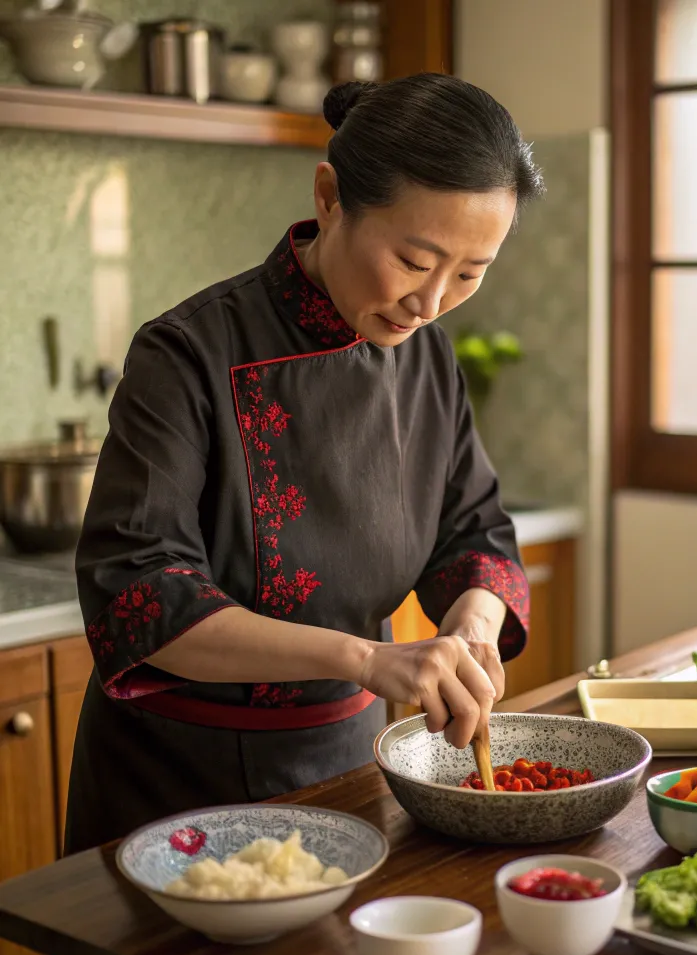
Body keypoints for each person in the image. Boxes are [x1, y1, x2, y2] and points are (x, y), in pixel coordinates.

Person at [63, 73, 545, 855]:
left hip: (349, 767)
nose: (431, 302)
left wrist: (474, 629)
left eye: (469, 272)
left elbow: (475, 535)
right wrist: (365, 658)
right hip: (175, 788)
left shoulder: (427, 359)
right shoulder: (186, 353)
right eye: (414, 259)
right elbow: (139, 595)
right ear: (330, 197)